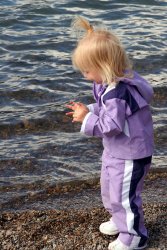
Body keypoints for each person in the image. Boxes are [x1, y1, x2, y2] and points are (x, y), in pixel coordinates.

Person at [66, 16, 154, 250]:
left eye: (86, 70)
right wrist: (90, 109)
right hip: (118, 149)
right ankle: (120, 220)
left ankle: (134, 237)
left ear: (104, 67)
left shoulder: (117, 92)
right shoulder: (109, 84)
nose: (84, 75)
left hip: (131, 153)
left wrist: (87, 117)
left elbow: (111, 125)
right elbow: (110, 112)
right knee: (109, 188)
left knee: (123, 196)